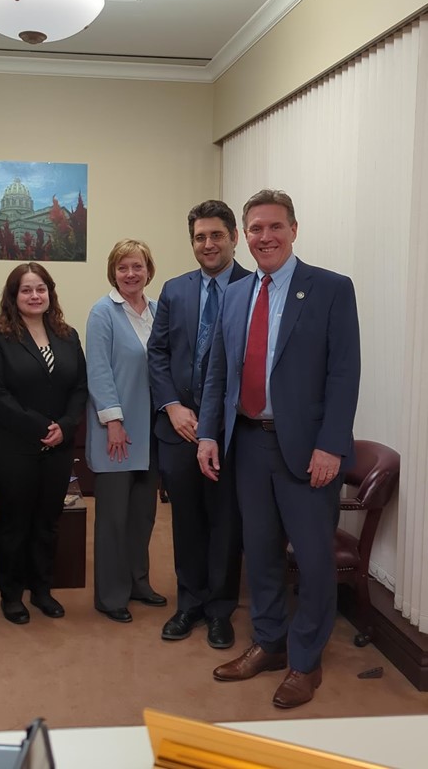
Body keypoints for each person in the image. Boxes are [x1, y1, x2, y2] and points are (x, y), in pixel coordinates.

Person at [197, 189, 360, 709]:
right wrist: (207, 432)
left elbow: (344, 373)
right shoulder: (237, 293)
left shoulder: (331, 288)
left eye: (274, 227)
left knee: (312, 562)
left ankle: (305, 661)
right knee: (261, 555)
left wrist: (332, 445)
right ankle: (268, 641)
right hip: (246, 444)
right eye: (255, 229)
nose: (264, 237)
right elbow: (219, 372)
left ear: (293, 229)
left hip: (308, 451)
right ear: (245, 235)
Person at [148, 200, 249, 648]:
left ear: (233, 237)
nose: (207, 244)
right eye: (199, 237)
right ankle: (188, 603)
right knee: (185, 519)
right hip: (179, 428)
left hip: (230, 432)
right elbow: (158, 354)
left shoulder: (255, 287)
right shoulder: (175, 289)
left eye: (216, 236)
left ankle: (220, 610)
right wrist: (171, 405)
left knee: (224, 521)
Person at [0, 263, 87, 625]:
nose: (35, 296)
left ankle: (41, 590)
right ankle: (11, 594)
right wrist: (40, 425)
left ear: (50, 293)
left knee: (47, 521)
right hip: (9, 443)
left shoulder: (67, 335)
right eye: (26, 290)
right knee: (14, 521)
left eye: (41, 289)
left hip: (57, 444)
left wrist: (66, 426)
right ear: (13, 296)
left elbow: (80, 387)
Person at [86, 239, 166, 623]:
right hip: (116, 431)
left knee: (143, 514)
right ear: (113, 273)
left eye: (137, 266)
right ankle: (111, 595)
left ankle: (139, 581)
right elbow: (98, 371)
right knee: (114, 518)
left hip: (152, 431)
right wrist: (113, 422)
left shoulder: (156, 311)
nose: (130, 274)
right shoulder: (103, 312)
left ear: (149, 270)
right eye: (123, 268)